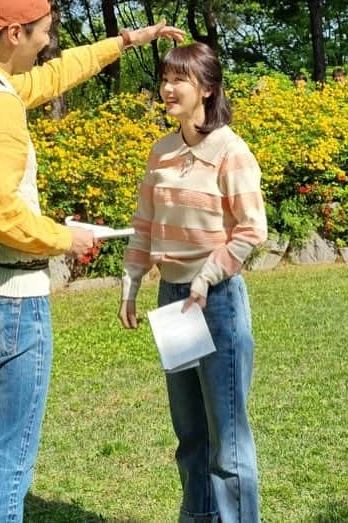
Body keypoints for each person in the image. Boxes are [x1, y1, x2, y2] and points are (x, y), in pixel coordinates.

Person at [0, 0, 183, 523]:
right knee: (6, 458)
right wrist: (69, 237)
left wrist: (130, 40)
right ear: (15, 32)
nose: (48, 41)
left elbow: (53, 77)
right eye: (43, 31)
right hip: (9, 299)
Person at [118, 42, 267, 523]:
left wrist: (207, 276)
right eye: (164, 79)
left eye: (178, 79)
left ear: (206, 88)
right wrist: (131, 282)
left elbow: (251, 230)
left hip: (216, 301)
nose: (166, 89)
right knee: (190, 433)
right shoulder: (160, 152)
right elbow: (145, 224)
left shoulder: (230, 150)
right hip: (172, 301)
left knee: (228, 437)